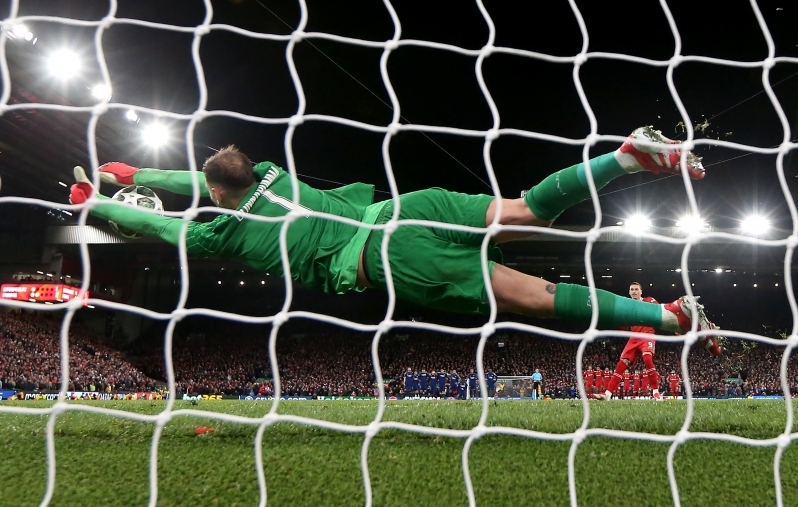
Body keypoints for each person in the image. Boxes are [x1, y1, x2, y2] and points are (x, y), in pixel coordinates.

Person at [69, 126, 722, 335]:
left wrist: (95, 202)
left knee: (533, 295)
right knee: (526, 208)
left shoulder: (223, 233)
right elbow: (193, 176)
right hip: (411, 206)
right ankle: (624, 157)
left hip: (389, 256)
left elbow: (151, 218)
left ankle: (669, 317)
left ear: (218, 194)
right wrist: (135, 166)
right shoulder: (267, 170)